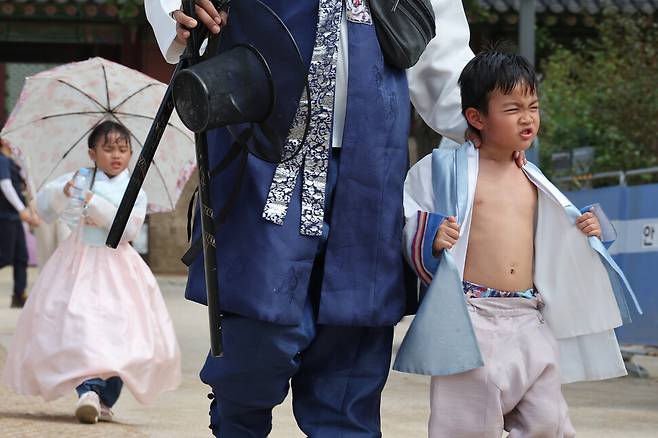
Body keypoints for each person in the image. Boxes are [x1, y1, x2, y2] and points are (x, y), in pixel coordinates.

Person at [145, 1, 525, 436]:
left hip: (372, 159)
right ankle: (236, 423)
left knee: (353, 339)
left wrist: (489, 121)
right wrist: (180, 8)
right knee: (258, 329)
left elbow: (440, 53)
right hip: (263, 146)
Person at [395, 50, 641, 437]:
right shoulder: (443, 170)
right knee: (467, 426)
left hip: (529, 316)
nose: (528, 118)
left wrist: (592, 228)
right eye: (512, 109)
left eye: (533, 106)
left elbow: (563, 236)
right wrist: (430, 235)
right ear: (476, 117)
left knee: (548, 422)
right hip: (472, 318)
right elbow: (408, 215)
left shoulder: (533, 177)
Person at [1, 121, 181, 424]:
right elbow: (44, 208)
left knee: (122, 333)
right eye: (108, 148)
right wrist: (64, 191)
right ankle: (88, 390)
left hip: (118, 267)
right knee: (79, 324)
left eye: (123, 149)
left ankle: (105, 397)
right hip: (79, 262)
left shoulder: (133, 186)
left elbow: (129, 229)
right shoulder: (80, 178)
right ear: (92, 153)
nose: (116, 155)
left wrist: (94, 203)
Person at [0, 137, 39, 308]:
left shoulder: (12, 162)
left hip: (14, 217)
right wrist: (21, 210)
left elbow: (23, 186)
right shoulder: (1, 160)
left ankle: (19, 294)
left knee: (21, 257)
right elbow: (5, 185)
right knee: (4, 257)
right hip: (5, 216)